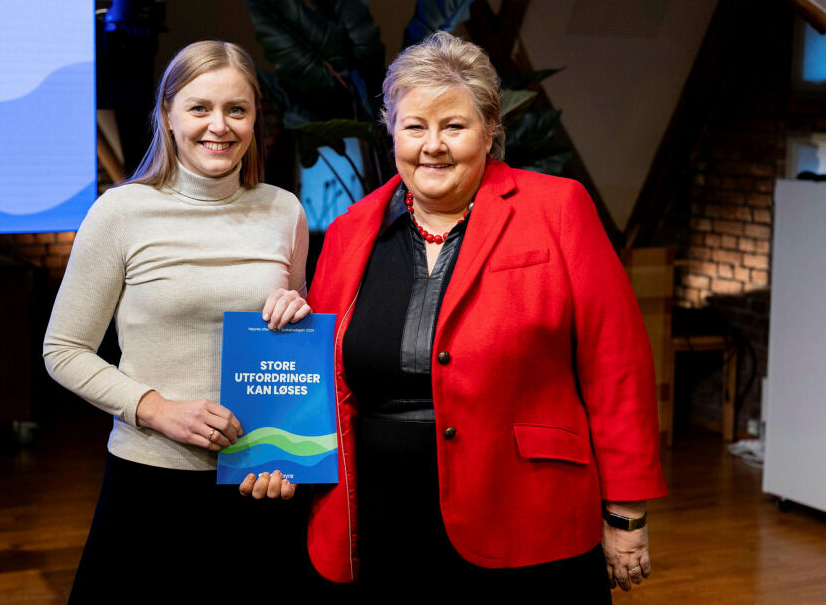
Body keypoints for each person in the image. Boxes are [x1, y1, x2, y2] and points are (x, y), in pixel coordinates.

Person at [303, 31, 667, 598]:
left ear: (491, 130)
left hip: (527, 513)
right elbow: (320, 376)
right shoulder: (351, 231)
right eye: (414, 126)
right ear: (391, 131)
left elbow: (615, 363)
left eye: (454, 126)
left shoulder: (557, 208)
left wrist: (626, 515)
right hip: (382, 519)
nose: (432, 146)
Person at [43, 40, 312, 601]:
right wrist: (157, 409)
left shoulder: (285, 210)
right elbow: (63, 350)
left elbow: (293, 353)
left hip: (257, 483)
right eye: (200, 108)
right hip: (150, 483)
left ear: (255, 117)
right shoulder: (120, 212)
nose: (220, 126)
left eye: (236, 109)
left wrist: (295, 312)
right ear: (167, 116)